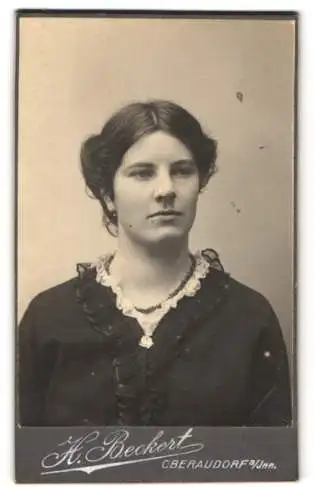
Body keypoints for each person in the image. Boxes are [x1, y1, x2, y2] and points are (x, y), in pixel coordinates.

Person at [18, 99, 292, 426]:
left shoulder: (250, 316)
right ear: (107, 194)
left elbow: (270, 463)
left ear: (199, 184)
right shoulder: (49, 317)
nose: (166, 189)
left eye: (182, 171)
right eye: (143, 173)